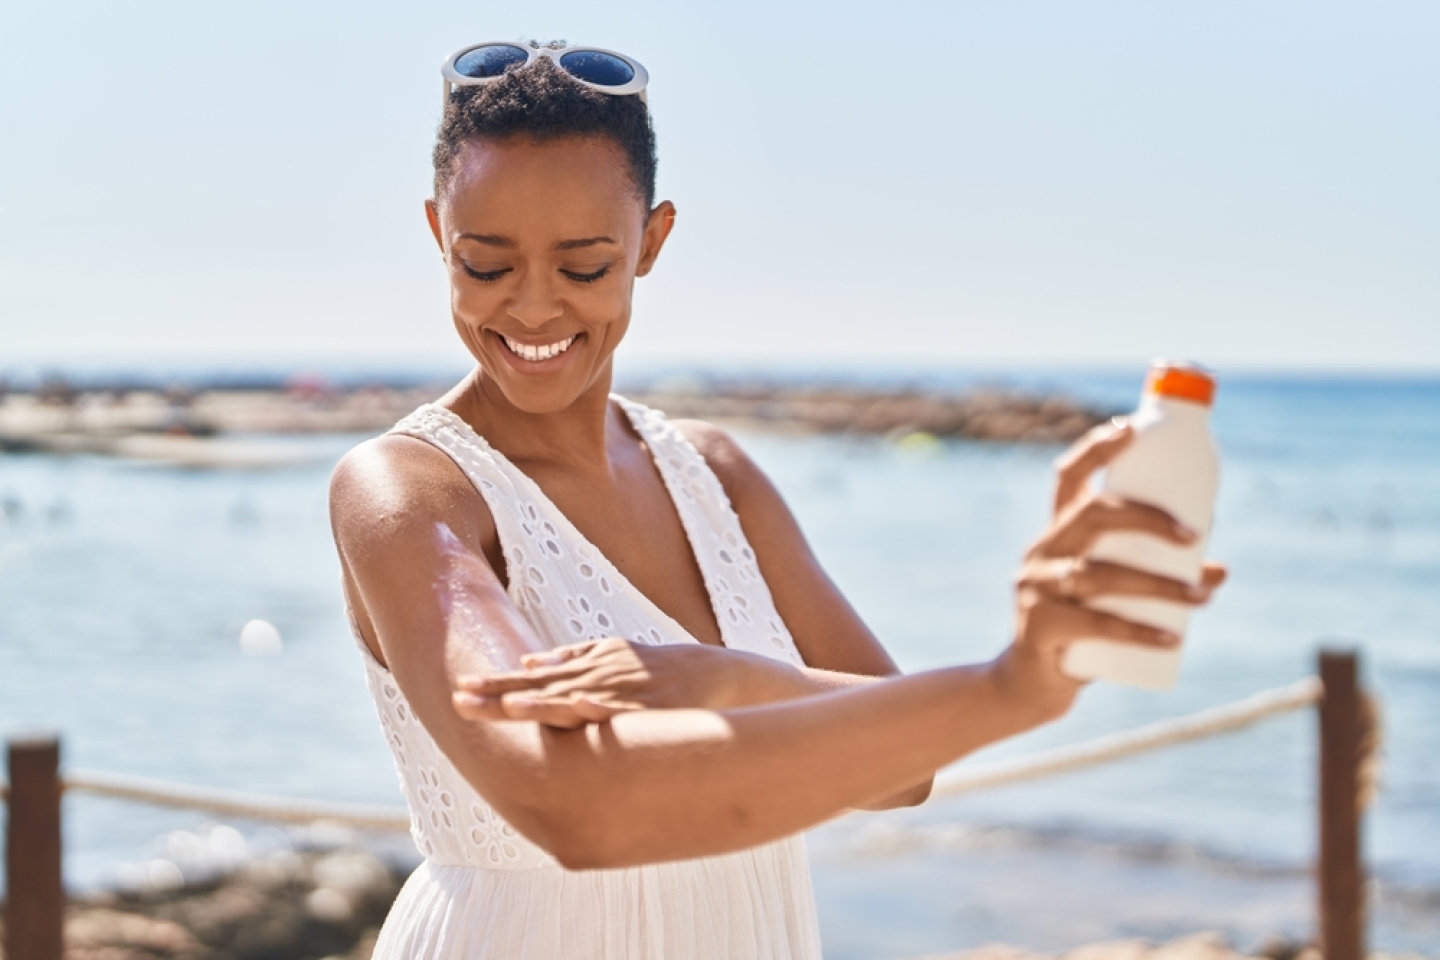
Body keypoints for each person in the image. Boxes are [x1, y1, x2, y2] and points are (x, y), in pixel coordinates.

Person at [328, 40, 1226, 960]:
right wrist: (1012, 686)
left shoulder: (713, 474)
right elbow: (568, 809)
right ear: (440, 233)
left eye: (585, 267)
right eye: (485, 265)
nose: (533, 308)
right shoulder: (406, 489)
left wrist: (738, 683)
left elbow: (901, 774)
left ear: (652, 242)